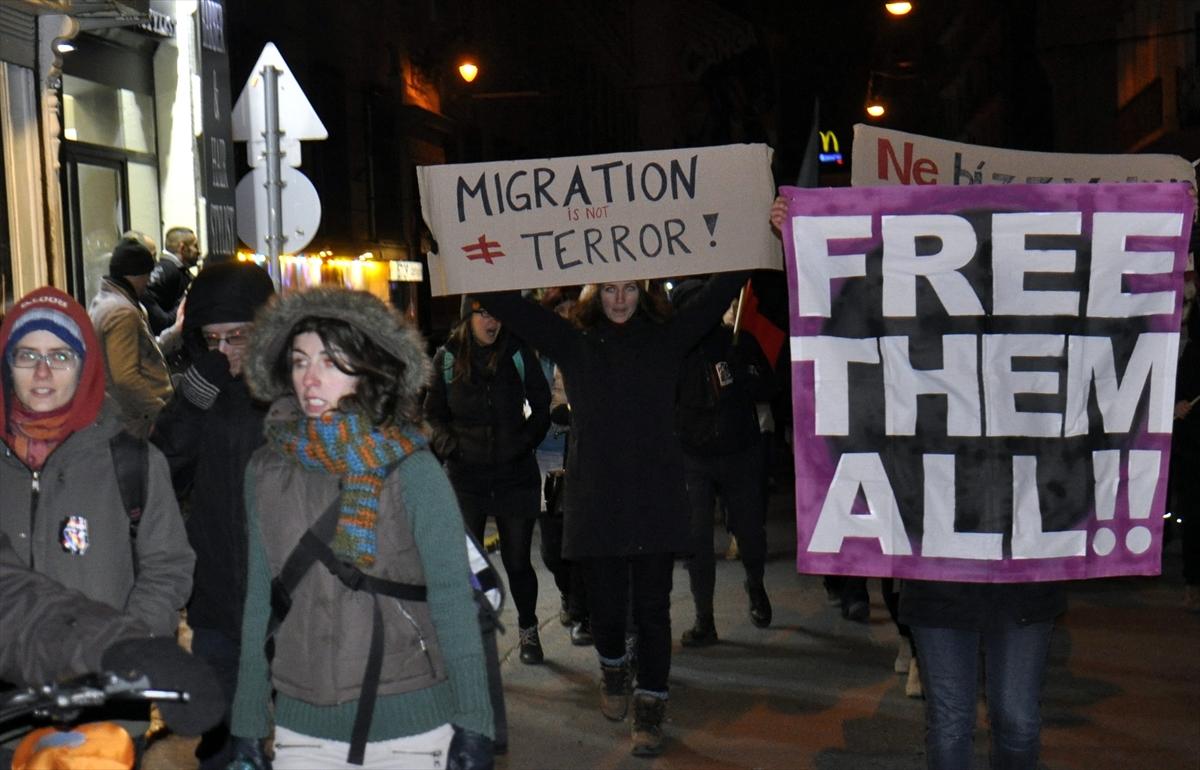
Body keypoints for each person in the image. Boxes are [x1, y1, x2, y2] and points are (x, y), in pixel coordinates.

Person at [477, 269, 746, 757]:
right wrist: (462, 259)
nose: (619, 300)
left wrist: (757, 237)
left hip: (655, 496)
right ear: (592, 293)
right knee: (604, 607)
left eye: (628, 289)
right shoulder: (574, 342)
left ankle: (650, 707)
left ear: (641, 292)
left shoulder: (669, 337)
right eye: (608, 290)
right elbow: (513, 307)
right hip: (597, 496)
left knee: (652, 609)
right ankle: (614, 667)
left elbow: (718, 293)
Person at [229, 287, 493, 770]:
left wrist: (475, 722)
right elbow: (256, 602)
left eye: (331, 362)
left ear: (367, 369)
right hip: (303, 730)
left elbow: (453, 598)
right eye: (300, 360)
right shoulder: (265, 470)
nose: (311, 377)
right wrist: (247, 723)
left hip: (412, 729)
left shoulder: (413, 468)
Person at [0, 286, 194, 640]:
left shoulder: (133, 463)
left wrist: (124, 645)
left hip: (102, 678)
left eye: (60, 357)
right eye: (27, 355)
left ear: (84, 366)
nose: (42, 373)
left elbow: (168, 569)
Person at [151, 261, 275, 769]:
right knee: (220, 744)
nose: (224, 352)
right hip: (217, 604)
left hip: (292, 611)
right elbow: (161, 472)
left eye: (238, 336)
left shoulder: (302, 389)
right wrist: (188, 405)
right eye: (213, 338)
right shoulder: (204, 391)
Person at [424, 295, 550, 665]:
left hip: (515, 475)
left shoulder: (516, 352)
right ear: (468, 317)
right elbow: (432, 415)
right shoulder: (447, 358)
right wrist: (452, 448)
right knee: (468, 563)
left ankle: (528, 628)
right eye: (483, 314)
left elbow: (541, 406)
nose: (491, 322)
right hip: (466, 478)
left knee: (516, 561)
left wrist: (523, 442)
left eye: (497, 313)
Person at [671, 279, 775, 647]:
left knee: (750, 531)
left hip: (739, 450)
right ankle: (704, 619)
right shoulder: (673, 350)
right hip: (692, 455)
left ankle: (756, 583)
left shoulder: (737, 342)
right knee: (697, 539)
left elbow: (770, 387)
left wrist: (741, 377)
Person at [88, 238, 174, 438]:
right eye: (147, 275)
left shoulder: (104, 302)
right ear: (138, 275)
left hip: (121, 417)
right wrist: (160, 411)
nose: (148, 282)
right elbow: (125, 377)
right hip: (136, 421)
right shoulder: (122, 312)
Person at [1172, 294, 1200, 610]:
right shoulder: (1191, 354)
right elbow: (1175, 388)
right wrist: (1176, 405)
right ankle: (1192, 582)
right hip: (1193, 445)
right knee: (1194, 515)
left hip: (1192, 443)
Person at [144, 226, 200, 335]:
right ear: (182, 248)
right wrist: (185, 299)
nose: (198, 251)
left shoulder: (178, 271)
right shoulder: (166, 270)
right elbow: (149, 302)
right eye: (195, 246)